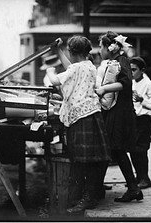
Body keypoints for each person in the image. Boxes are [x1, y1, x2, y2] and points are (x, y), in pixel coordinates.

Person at [46, 35, 111, 214]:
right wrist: (58, 50)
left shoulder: (76, 68)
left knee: (83, 161)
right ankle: (88, 196)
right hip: (93, 115)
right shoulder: (89, 66)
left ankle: (85, 198)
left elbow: (56, 81)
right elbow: (72, 67)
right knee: (93, 160)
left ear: (72, 52)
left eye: (67, 51)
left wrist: (50, 71)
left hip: (82, 118)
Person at [95, 31, 144, 202]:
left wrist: (103, 89)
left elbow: (126, 83)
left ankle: (130, 188)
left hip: (120, 113)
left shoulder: (122, 61)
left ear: (111, 47)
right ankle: (131, 188)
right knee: (115, 149)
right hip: (116, 112)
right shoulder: (114, 61)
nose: (100, 50)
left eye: (101, 46)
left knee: (115, 149)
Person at [129, 56, 151, 189]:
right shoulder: (133, 82)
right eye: (130, 70)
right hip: (134, 119)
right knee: (133, 149)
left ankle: (145, 178)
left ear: (142, 70)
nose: (132, 72)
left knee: (141, 149)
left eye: (134, 70)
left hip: (143, 119)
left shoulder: (147, 84)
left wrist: (143, 100)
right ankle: (139, 176)